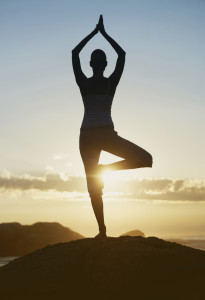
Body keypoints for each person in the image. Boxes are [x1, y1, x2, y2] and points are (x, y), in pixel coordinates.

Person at [72, 15, 152, 239]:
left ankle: (102, 229)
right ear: (104, 64)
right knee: (146, 160)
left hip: (91, 135)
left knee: (92, 186)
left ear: (92, 64)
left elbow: (74, 53)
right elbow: (122, 54)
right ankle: (102, 231)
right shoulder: (108, 82)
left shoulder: (86, 82)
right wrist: (104, 34)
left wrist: (94, 33)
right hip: (99, 134)